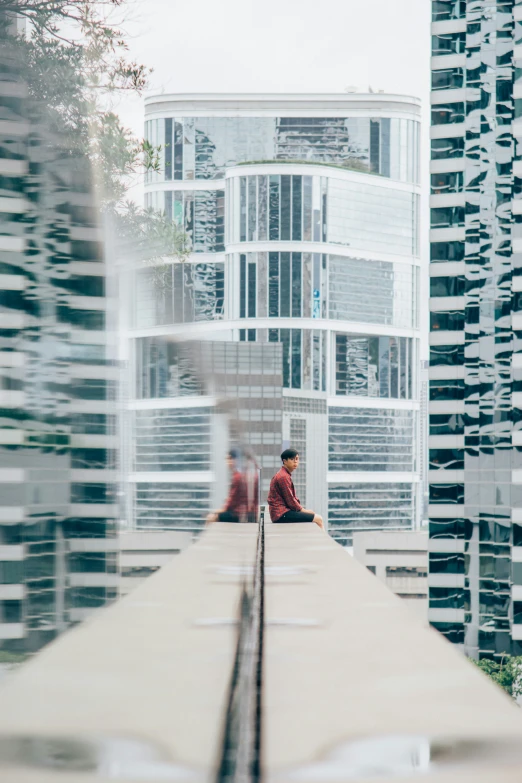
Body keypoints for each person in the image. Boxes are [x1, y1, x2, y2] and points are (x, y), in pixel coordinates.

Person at [267, 448, 324, 529]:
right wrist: (305, 511)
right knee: (318, 519)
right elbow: (290, 501)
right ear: (285, 461)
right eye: (292, 459)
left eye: (297, 459)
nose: (295, 462)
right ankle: (321, 542)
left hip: (281, 513)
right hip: (281, 514)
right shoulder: (283, 477)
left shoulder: (284, 474)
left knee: (314, 517)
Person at [206, 448, 248, 524]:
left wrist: (219, 511)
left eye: (229, 459)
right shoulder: (238, 475)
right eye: (227, 459)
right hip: (239, 511)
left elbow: (231, 501)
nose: (227, 462)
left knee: (210, 518)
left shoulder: (237, 477)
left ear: (235, 460)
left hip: (237, 514)